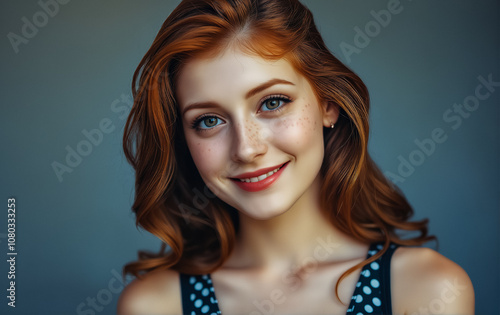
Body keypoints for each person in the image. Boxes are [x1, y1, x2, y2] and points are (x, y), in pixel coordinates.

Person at [117, 0, 475, 314]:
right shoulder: (155, 306)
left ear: (328, 104)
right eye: (209, 121)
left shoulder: (429, 291)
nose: (247, 148)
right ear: (184, 141)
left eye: (272, 102)